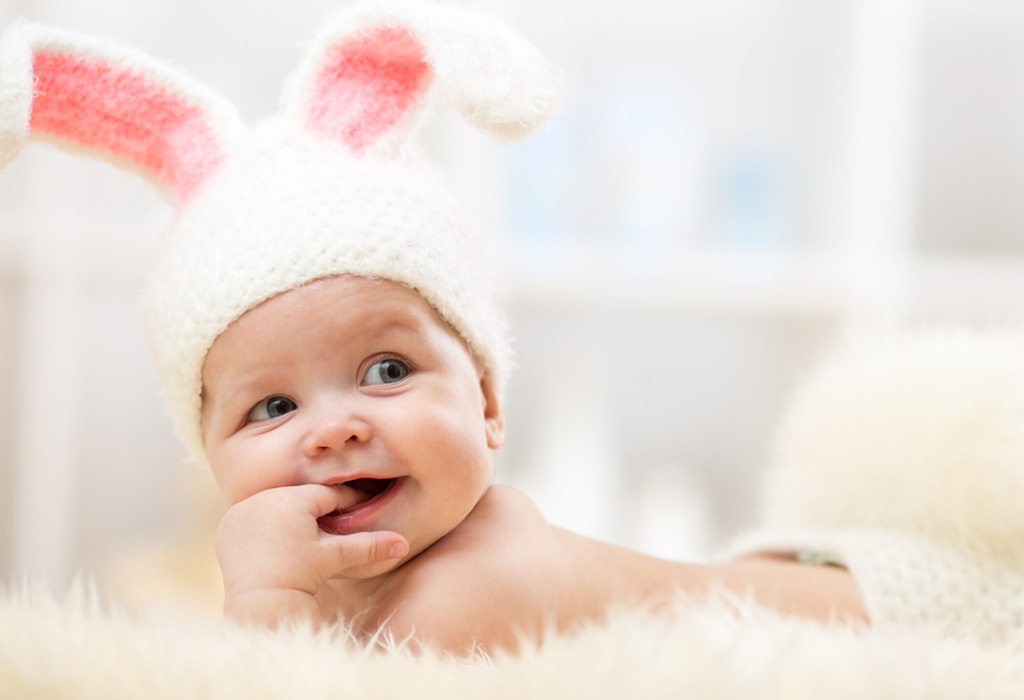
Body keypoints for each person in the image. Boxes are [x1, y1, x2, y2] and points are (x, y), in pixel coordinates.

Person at [3, 0, 1018, 658]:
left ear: (486, 403)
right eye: (272, 405)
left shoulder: (463, 592)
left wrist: (266, 598)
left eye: (386, 366)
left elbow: (281, 686)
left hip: (909, 606)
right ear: (208, 456)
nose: (334, 428)